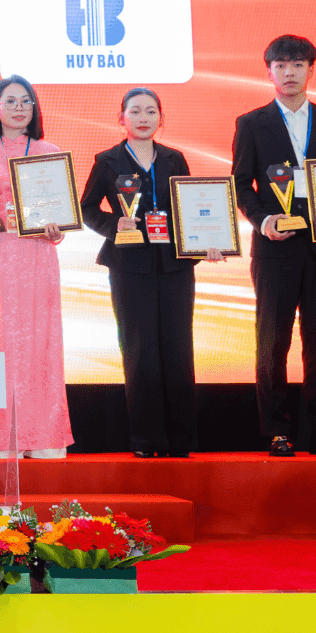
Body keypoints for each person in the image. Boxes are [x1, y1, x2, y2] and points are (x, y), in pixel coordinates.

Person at [230, 35, 316, 457]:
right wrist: (263, 220)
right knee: (272, 341)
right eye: (281, 65)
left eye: (298, 64)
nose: (289, 72)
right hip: (275, 248)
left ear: (311, 70)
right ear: (268, 71)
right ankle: (277, 431)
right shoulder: (251, 123)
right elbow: (240, 185)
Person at [81, 88, 216, 459]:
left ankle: (181, 439)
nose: (143, 118)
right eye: (135, 111)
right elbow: (88, 208)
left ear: (161, 118)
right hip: (129, 264)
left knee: (178, 346)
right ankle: (146, 440)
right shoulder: (107, 160)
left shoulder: (174, 158)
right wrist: (114, 225)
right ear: (121, 118)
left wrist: (208, 241)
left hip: (175, 264)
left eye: (151, 111)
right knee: (139, 349)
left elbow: (192, 207)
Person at [0, 75, 71, 460]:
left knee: (41, 342)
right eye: (10, 101)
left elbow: (61, 214)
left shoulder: (50, 153)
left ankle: (44, 436)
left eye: (26, 101)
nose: (19, 108)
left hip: (38, 255)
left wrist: (57, 229)